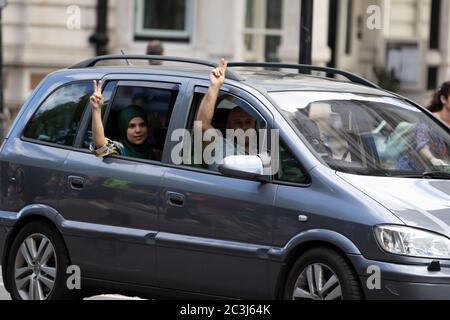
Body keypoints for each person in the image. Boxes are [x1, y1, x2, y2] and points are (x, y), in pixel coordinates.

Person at [196, 59, 258, 170]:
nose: (244, 127)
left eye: (248, 122)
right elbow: (202, 125)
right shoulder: (221, 146)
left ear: (255, 126)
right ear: (228, 127)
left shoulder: (266, 148)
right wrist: (214, 87)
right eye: (238, 122)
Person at [89, 80, 156, 160]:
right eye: (132, 126)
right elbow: (101, 146)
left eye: (142, 125)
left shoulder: (151, 151)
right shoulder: (120, 149)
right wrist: (96, 109)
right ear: (123, 129)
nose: (138, 130)